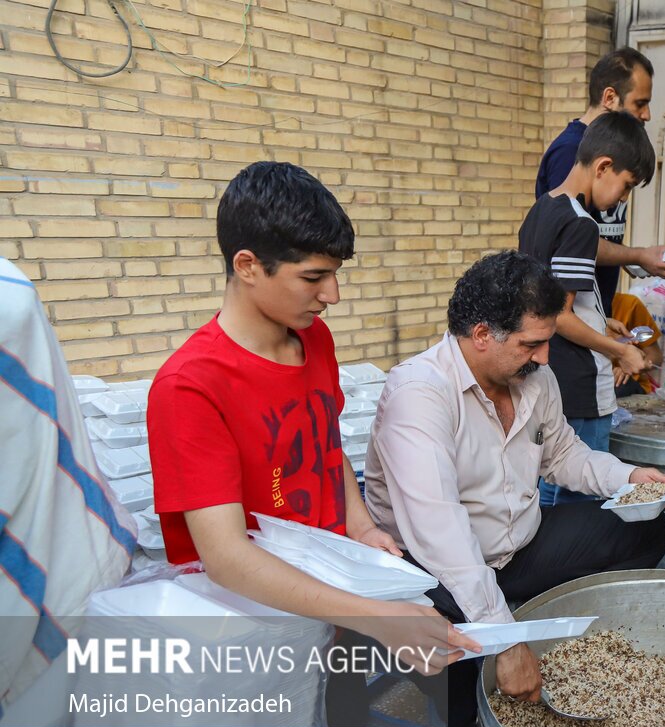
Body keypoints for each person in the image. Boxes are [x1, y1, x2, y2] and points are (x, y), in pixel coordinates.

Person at [147, 162, 477, 687]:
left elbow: (325, 447)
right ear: (249, 265)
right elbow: (228, 558)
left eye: (335, 275)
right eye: (313, 277)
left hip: (333, 593)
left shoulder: (313, 340)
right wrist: (376, 619)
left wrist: (362, 526)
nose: (332, 296)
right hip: (254, 619)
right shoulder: (190, 386)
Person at [362, 250, 665, 727]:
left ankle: (543, 631)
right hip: (435, 569)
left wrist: (629, 478)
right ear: (482, 333)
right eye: (532, 343)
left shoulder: (534, 379)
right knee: (455, 633)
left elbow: (566, 457)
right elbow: (441, 535)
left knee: (646, 524)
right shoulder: (419, 394)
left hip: (516, 548)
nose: (546, 357)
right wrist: (504, 641)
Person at [520, 111, 656, 505]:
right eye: (627, 187)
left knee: (544, 486)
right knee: (580, 496)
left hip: (548, 378)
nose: (624, 199)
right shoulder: (581, 225)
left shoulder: (542, 209)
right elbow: (558, 315)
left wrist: (603, 321)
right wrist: (620, 351)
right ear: (604, 167)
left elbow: (550, 297)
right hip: (579, 385)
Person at [535, 47, 665, 315]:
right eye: (640, 103)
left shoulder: (613, 152)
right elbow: (569, 239)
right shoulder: (572, 151)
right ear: (610, 97)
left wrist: (639, 258)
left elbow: (597, 235)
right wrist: (637, 255)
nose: (647, 114)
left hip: (594, 310)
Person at [610, 290, 663, 395]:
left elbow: (656, 357)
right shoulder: (571, 313)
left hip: (622, 384)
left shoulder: (628, 304)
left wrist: (630, 366)